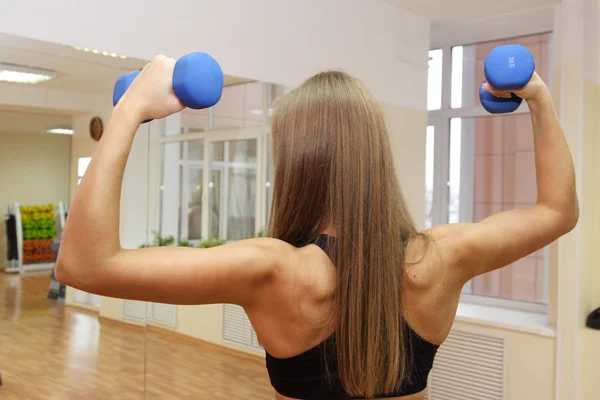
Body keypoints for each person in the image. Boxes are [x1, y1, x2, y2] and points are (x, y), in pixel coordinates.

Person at [56, 55, 578, 400]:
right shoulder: (440, 257)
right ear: (376, 155)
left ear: (295, 161)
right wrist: (536, 96)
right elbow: (557, 211)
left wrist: (127, 113)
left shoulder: (273, 270)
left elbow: (82, 264)